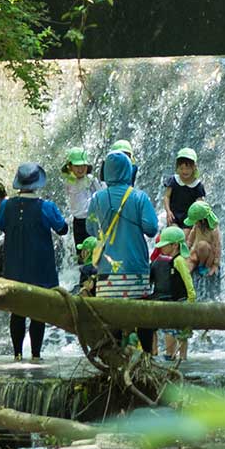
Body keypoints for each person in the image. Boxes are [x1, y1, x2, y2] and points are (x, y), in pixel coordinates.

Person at [87, 148, 161, 354]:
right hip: (135, 269)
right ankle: (146, 358)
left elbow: (90, 229)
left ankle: (115, 363)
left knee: (112, 320)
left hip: (106, 271)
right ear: (129, 172)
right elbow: (151, 228)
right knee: (142, 317)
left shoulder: (96, 198)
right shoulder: (139, 197)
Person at [0, 162, 69, 361]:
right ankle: (36, 355)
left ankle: (17, 355)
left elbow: (2, 226)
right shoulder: (46, 206)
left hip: (13, 269)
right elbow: (62, 229)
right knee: (38, 313)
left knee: (17, 312)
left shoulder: (6, 205)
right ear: (38, 185)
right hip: (40, 271)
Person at [149, 225, 196, 364]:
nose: (161, 248)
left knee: (175, 330)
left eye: (164, 245)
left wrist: (191, 298)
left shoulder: (179, 261)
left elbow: (187, 279)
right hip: (177, 300)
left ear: (174, 245)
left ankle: (174, 356)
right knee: (180, 331)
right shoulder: (172, 260)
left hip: (181, 301)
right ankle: (181, 357)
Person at [60, 148, 101, 247]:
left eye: (83, 166)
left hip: (91, 218)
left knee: (95, 248)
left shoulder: (90, 180)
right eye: (77, 166)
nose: (81, 169)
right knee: (81, 250)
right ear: (70, 167)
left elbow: (100, 193)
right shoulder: (69, 181)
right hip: (78, 221)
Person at [184, 201, 223, 301]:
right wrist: (185, 252)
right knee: (186, 268)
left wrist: (215, 264)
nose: (194, 223)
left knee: (202, 245)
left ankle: (202, 265)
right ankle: (185, 292)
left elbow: (217, 246)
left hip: (208, 256)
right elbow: (190, 239)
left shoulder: (213, 228)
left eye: (195, 220)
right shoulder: (197, 226)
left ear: (202, 220)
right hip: (196, 252)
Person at [162, 146, 206, 228]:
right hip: (173, 215)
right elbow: (166, 196)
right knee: (173, 234)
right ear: (177, 168)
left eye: (188, 168)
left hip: (189, 218)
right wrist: (168, 211)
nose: (184, 171)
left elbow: (199, 204)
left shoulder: (197, 185)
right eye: (181, 168)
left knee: (185, 237)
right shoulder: (173, 180)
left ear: (194, 168)